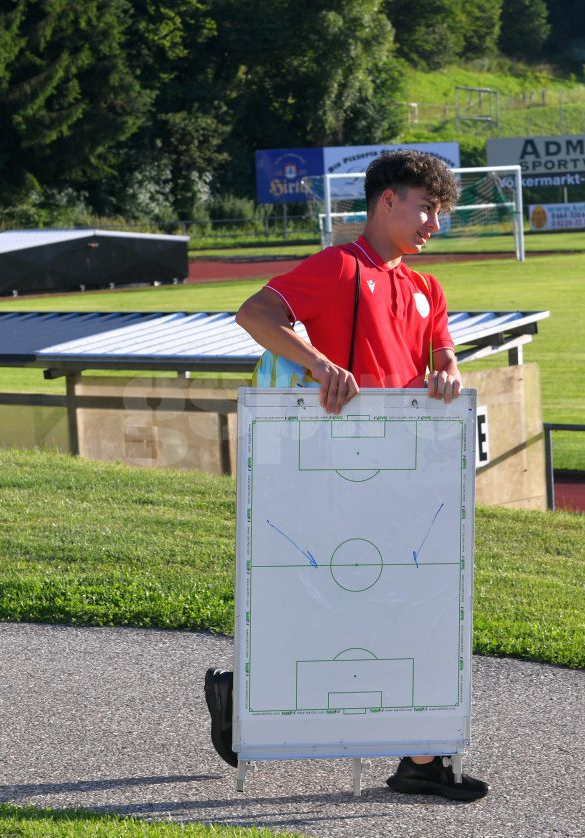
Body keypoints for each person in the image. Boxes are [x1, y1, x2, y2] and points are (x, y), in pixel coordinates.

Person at [205, 149, 487, 802]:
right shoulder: (339, 267)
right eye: (426, 208)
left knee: (402, 604)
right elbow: (255, 314)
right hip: (335, 472)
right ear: (386, 200)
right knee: (336, 599)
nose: (434, 226)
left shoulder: (426, 289)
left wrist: (447, 377)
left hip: (404, 474)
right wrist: (318, 364)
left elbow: (444, 359)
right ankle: (241, 696)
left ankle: (421, 757)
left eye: (440, 213)